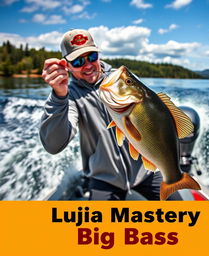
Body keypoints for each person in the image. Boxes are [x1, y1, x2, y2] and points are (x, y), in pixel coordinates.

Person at [40, 28, 163, 200]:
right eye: (78, 62)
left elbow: (151, 114)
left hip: (146, 169)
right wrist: (59, 96)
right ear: (66, 65)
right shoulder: (69, 95)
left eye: (91, 56)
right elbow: (53, 145)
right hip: (104, 180)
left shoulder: (122, 79)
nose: (88, 65)